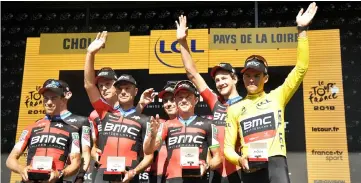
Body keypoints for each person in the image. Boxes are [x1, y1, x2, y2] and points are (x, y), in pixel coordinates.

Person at [224, 2, 318, 183]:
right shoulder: (235, 109)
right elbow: (228, 148)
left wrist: (302, 30)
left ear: (265, 78)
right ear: (242, 79)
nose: (251, 79)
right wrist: (239, 159)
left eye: (257, 75)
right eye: (248, 76)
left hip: (276, 161)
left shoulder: (277, 96)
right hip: (250, 164)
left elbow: (301, 68)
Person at [175, 15, 243, 183]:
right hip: (216, 172)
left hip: (241, 170)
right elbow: (192, 73)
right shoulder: (216, 102)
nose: (220, 83)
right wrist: (182, 43)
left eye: (224, 78)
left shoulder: (247, 105)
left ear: (234, 79)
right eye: (217, 80)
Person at [84, 31, 153, 183]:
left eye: (127, 88)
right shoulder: (104, 112)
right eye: (120, 88)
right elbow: (89, 86)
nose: (123, 91)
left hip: (129, 172)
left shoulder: (143, 118)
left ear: (135, 91)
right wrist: (90, 54)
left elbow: (148, 153)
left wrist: (134, 171)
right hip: (102, 172)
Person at [144, 80, 222, 183]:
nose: (184, 100)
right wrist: (152, 136)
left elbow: (218, 158)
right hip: (172, 179)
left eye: (188, 97)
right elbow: (149, 150)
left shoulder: (209, 124)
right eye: (180, 97)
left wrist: (206, 166)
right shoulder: (166, 125)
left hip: (198, 178)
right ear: (176, 100)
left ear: (196, 100)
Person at [6, 79, 82, 183]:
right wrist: (21, 169)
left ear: (62, 100)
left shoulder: (72, 130)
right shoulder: (30, 128)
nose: (49, 102)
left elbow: (76, 162)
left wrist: (60, 173)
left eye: (54, 98)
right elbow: (10, 159)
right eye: (46, 98)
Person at [148, 81, 178, 183]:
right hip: (158, 177)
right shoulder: (159, 123)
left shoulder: (195, 123)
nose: (168, 104)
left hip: (183, 175)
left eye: (172, 100)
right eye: (165, 101)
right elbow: (151, 148)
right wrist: (153, 136)